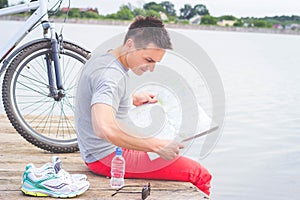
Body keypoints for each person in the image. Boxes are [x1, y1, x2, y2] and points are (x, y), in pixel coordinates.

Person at [75, 16, 212, 196]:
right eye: (148, 60)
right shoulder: (110, 77)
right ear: (130, 45)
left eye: (156, 62)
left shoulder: (104, 58)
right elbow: (103, 128)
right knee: (200, 174)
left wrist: (132, 99)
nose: (152, 68)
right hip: (106, 157)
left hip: (100, 150)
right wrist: (155, 146)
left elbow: (100, 93)